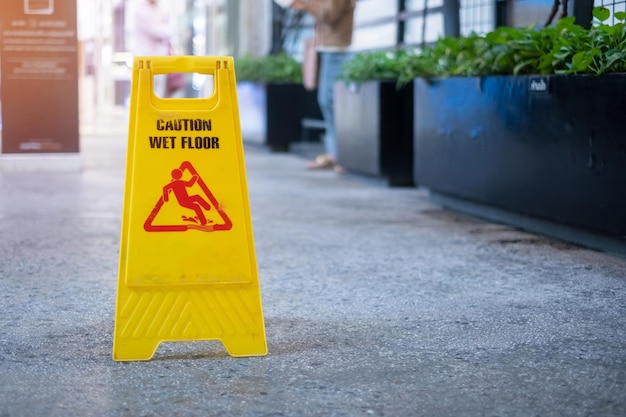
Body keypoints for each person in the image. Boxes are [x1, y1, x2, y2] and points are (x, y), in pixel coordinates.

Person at [289, 0, 355, 173]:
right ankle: (335, 154)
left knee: (331, 101)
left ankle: (341, 156)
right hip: (330, 48)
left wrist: (306, 4)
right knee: (327, 100)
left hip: (338, 49)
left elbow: (329, 14)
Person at [128, 0, 173, 98]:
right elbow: (156, 31)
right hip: (146, 57)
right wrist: (168, 29)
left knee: (158, 95)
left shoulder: (157, 9)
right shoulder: (141, 10)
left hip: (160, 58)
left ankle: (155, 114)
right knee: (145, 94)